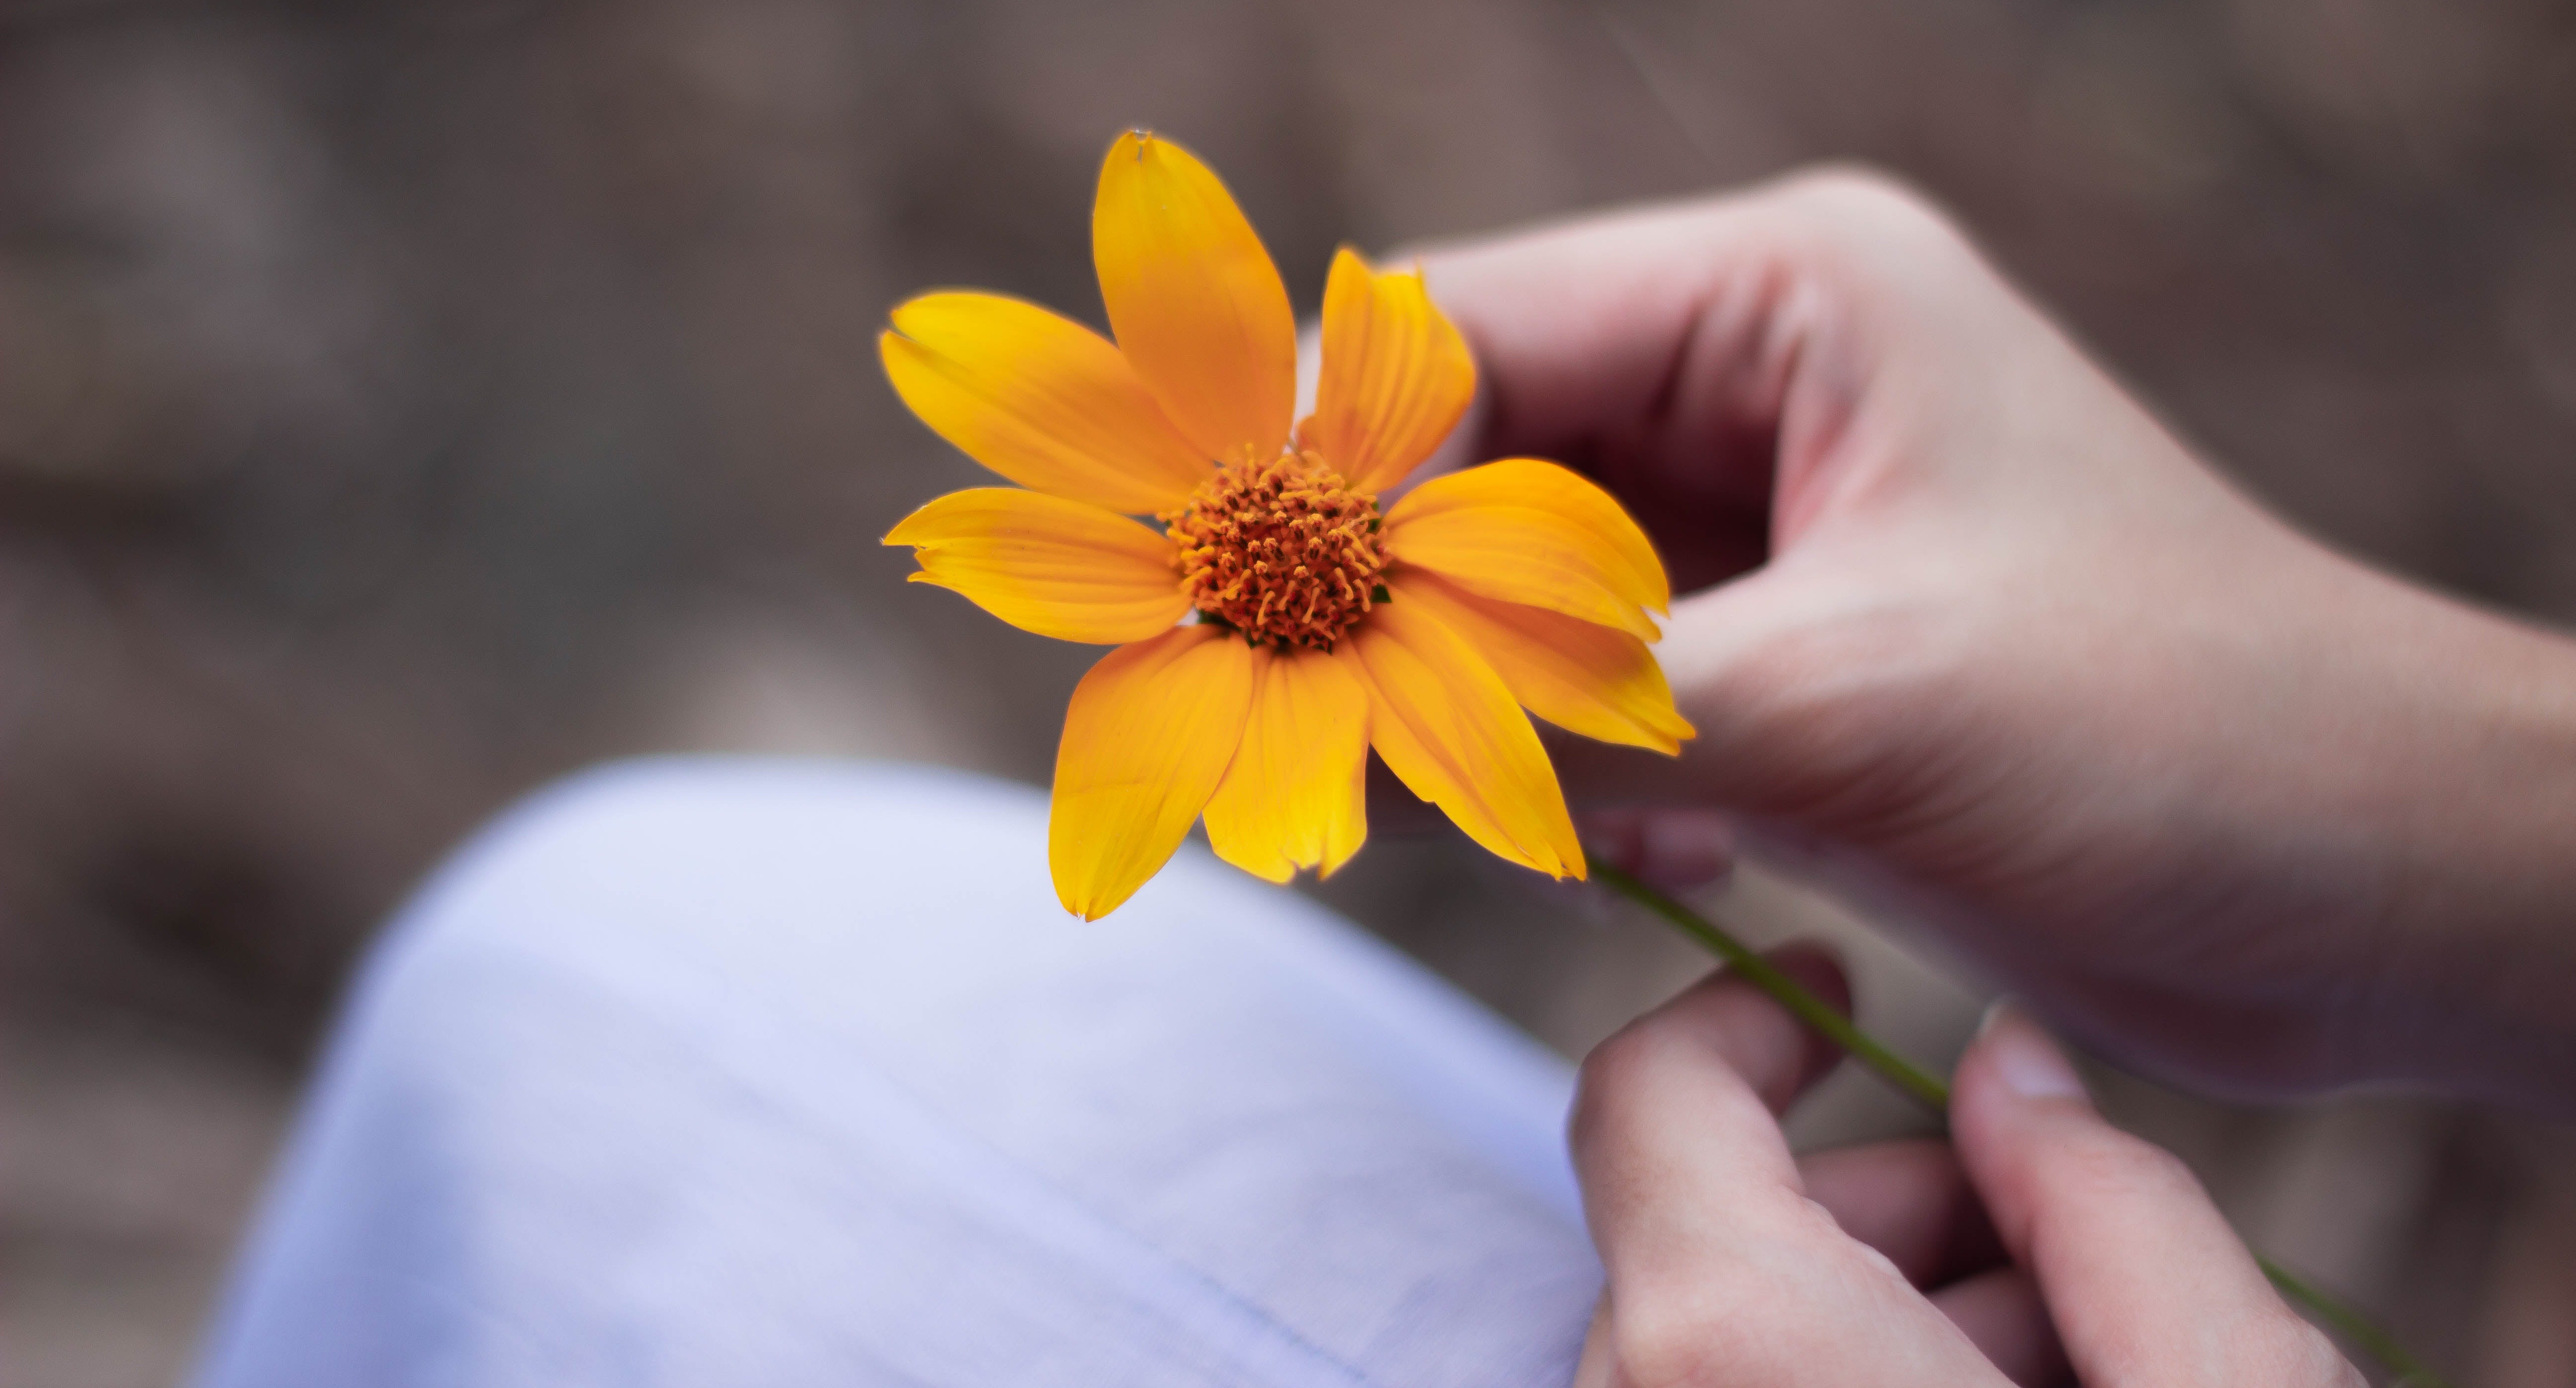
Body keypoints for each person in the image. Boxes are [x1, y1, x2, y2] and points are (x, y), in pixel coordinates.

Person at [194, 170, 2576, 1387]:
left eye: (1284, 534)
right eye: (1260, 552)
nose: (1274, 547)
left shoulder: (1456, 553)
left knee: (592, 963)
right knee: (598, 945)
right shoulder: (1201, 620)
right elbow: (1103, 722)